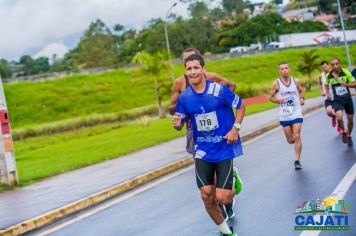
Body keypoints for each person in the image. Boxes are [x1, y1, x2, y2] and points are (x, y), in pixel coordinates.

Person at [172, 54, 245, 236]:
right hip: (203, 150)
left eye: (196, 67)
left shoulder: (219, 91)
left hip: (223, 148)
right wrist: (177, 124)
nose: (193, 71)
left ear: (204, 69)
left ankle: (233, 179)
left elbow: (241, 105)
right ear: (185, 72)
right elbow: (180, 121)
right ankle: (227, 231)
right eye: (189, 69)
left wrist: (235, 129)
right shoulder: (185, 97)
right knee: (206, 194)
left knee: (223, 197)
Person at [168, 48, 236, 155]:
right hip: (193, 128)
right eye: (185, 60)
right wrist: (184, 105)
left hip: (217, 127)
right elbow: (171, 107)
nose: (189, 61)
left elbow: (231, 85)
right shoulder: (179, 82)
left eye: (192, 58)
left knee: (218, 159)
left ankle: (227, 171)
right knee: (200, 161)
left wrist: (221, 106)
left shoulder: (211, 77)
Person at [269, 62, 304, 170]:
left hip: (296, 112)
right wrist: (278, 100)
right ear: (279, 71)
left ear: (289, 69)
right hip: (284, 115)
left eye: (286, 68)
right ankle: (293, 139)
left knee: (297, 136)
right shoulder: (276, 84)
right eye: (282, 69)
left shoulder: (296, 81)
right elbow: (270, 97)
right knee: (291, 140)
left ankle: (297, 160)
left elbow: (301, 91)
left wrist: (302, 98)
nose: (284, 70)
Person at [325, 57, 356, 146]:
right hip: (337, 100)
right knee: (339, 117)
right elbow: (326, 84)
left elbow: (355, 84)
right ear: (331, 66)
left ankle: (349, 135)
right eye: (333, 64)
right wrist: (328, 93)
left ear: (339, 64)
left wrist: (346, 84)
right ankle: (344, 131)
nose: (335, 66)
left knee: (350, 119)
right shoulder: (329, 75)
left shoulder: (345, 72)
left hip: (348, 100)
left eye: (336, 63)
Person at [318, 61, 342, 134]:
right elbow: (320, 84)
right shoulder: (320, 76)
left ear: (328, 66)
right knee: (329, 112)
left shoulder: (333, 73)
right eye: (322, 68)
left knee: (339, 115)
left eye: (325, 67)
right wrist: (322, 91)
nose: (324, 69)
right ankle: (333, 117)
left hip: (336, 96)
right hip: (328, 97)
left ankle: (340, 127)